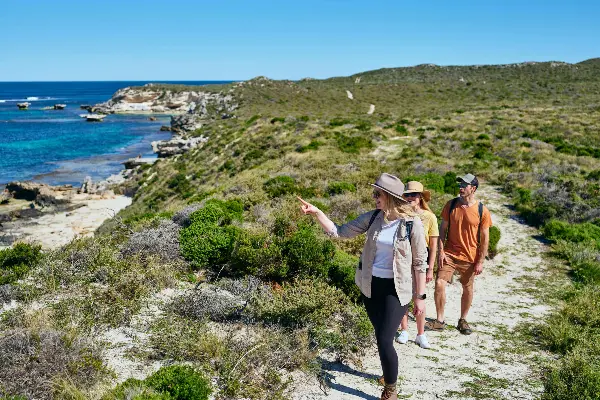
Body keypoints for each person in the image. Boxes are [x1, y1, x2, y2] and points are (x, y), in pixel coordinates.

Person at [298, 173, 428, 400]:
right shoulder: (373, 218)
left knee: (386, 339)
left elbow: (419, 262)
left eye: (377, 193)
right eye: (374, 193)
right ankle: (387, 373)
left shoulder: (411, 223)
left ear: (389, 196)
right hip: (370, 287)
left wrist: (420, 297)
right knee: (380, 336)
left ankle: (390, 389)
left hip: (396, 290)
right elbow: (339, 232)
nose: (374, 197)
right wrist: (317, 212)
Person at [425, 173, 492, 335]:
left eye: (464, 185)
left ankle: (463, 320)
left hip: (470, 257)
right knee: (439, 283)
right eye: (460, 184)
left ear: (473, 188)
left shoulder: (482, 210)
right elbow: (442, 230)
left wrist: (480, 261)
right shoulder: (451, 205)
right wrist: (441, 251)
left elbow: (485, 239)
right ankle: (440, 320)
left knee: (467, 288)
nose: (461, 187)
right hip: (449, 254)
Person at [395, 181, 439, 349]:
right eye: (407, 194)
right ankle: (404, 329)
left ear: (421, 197)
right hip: (403, 258)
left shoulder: (429, 217)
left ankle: (421, 333)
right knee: (402, 295)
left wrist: (430, 268)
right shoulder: (399, 215)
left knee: (419, 296)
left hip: (421, 260)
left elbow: (434, 245)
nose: (410, 197)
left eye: (414, 194)